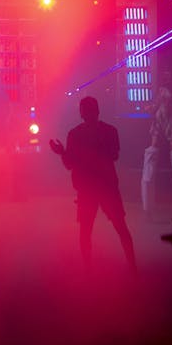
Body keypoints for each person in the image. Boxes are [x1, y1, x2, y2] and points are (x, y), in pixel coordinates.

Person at [49, 96, 136, 272]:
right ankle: (131, 266)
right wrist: (66, 153)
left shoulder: (76, 134)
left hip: (92, 188)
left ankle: (89, 270)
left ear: (82, 112)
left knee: (87, 230)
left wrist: (63, 153)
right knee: (118, 227)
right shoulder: (109, 131)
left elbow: (70, 164)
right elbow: (114, 156)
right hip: (103, 187)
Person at [142, 84, 172, 217]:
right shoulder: (164, 108)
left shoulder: (165, 109)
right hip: (165, 129)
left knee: (150, 174)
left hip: (166, 130)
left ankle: (148, 208)